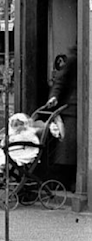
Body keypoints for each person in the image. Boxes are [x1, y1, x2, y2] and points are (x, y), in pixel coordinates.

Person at [43, 45, 78, 185]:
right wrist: (54, 96)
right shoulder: (73, 59)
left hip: (76, 109)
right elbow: (60, 80)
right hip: (73, 109)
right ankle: (66, 181)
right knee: (68, 149)